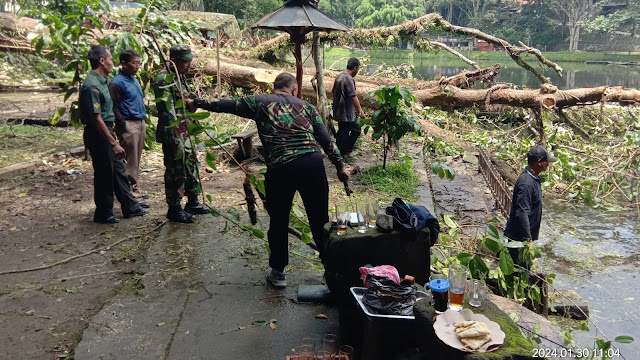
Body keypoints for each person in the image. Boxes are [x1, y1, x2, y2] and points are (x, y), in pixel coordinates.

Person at [186, 73, 350, 288]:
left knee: (279, 220)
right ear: (294, 90)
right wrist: (340, 166)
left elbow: (224, 105)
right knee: (320, 221)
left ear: (276, 88)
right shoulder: (307, 107)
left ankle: (279, 273)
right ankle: (331, 272)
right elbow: (326, 141)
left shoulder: (259, 102)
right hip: (312, 164)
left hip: (281, 168)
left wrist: (196, 102)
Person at [79, 45, 149, 224]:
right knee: (104, 174)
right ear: (102, 61)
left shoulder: (102, 80)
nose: (113, 62)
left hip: (106, 130)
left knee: (118, 171)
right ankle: (103, 212)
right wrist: (113, 142)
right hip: (99, 133)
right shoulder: (92, 85)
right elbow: (96, 119)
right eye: (110, 59)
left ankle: (130, 207)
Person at [152, 44, 211, 223]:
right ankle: (174, 207)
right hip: (174, 132)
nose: (189, 65)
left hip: (187, 130)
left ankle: (192, 201)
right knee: (176, 170)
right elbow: (167, 111)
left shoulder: (180, 77)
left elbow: (188, 99)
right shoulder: (164, 79)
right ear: (175, 61)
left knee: (191, 165)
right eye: (186, 62)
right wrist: (175, 137)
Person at [504, 145, 557, 269]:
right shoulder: (527, 183)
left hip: (522, 239)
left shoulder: (533, 178)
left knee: (523, 271)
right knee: (519, 273)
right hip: (518, 240)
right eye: (546, 161)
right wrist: (528, 241)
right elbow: (522, 212)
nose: (548, 164)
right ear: (539, 162)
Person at [109, 49, 149, 205]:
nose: (137, 66)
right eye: (134, 63)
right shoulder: (117, 82)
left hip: (139, 122)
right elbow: (113, 106)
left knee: (136, 158)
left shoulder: (134, 79)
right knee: (129, 159)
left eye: (139, 63)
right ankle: (130, 192)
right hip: (128, 124)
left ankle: (134, 188)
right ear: (123, 64)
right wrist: (123, 124)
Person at [332, 57, 365, 161]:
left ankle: (339, 152)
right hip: (346, 112)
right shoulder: (348, 78)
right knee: (355, 129)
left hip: (339, 110)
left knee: (343, 131)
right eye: (358, 69)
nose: (357, 71)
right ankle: (346, 152)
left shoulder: (339, 76)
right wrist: (360, 110)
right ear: (355, 68)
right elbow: (353, 96)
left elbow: (333, 92)